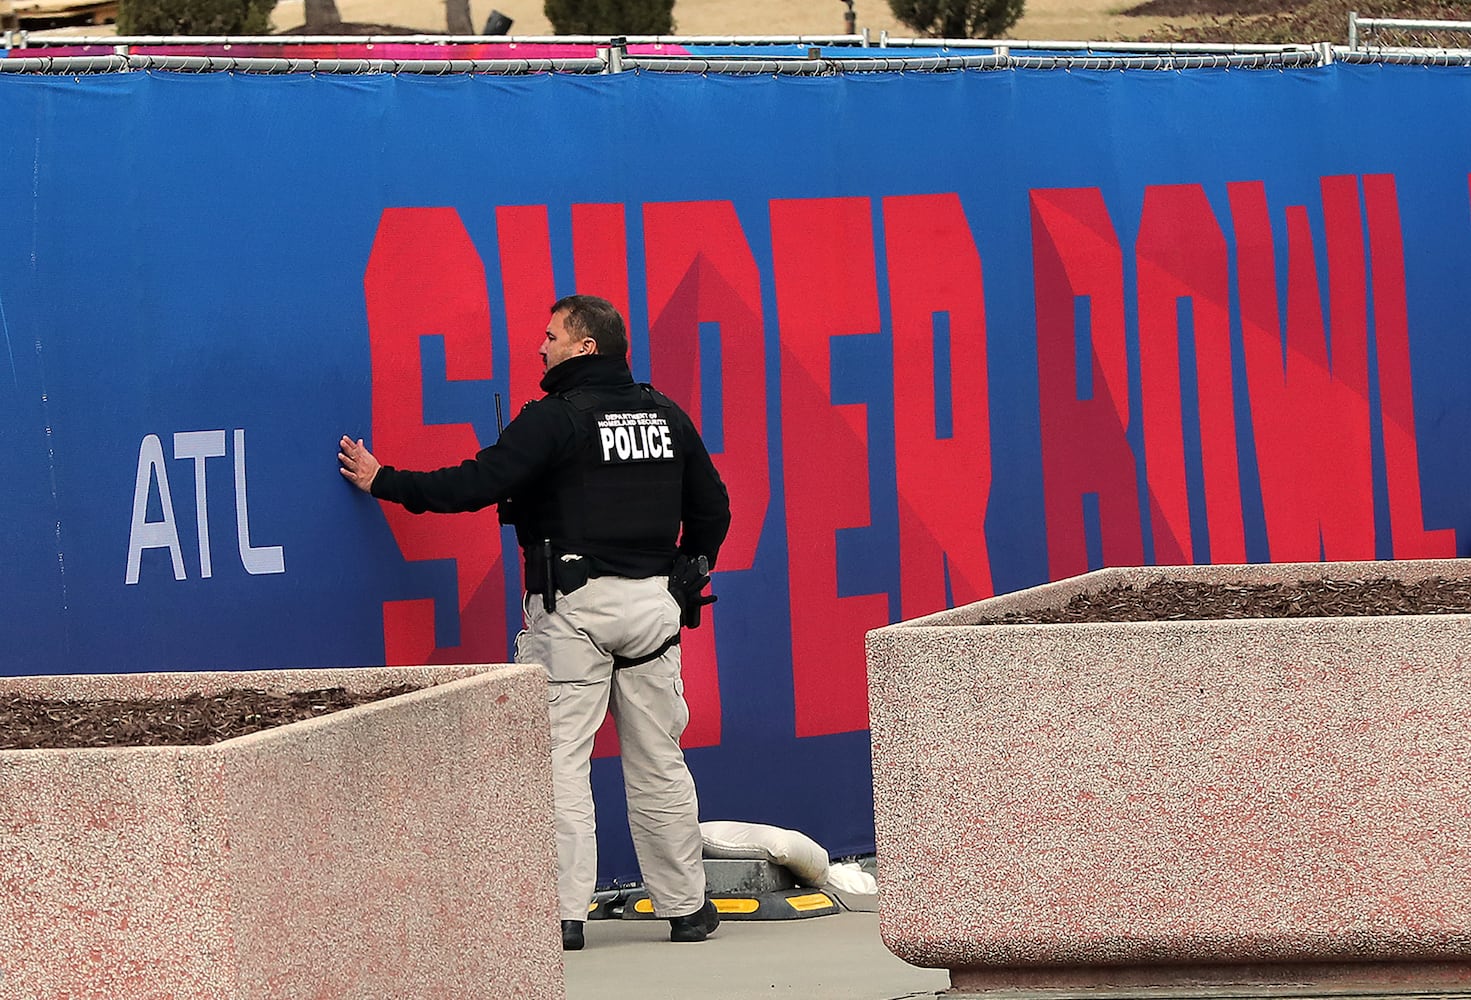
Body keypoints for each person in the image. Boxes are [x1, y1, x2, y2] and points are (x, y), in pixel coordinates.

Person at [338, 294, 730, 952]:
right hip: (656, 610)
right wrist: (689, 571)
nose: (539, 347)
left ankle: (563, 917)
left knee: (560, 764)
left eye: (551, 336)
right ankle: (687, 910)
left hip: (574, 609)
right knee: (660, 760)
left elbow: (472, 484)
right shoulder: (666, 414)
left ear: (584, 348)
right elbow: (712, 508)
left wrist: (385, 482)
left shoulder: (556, 418)